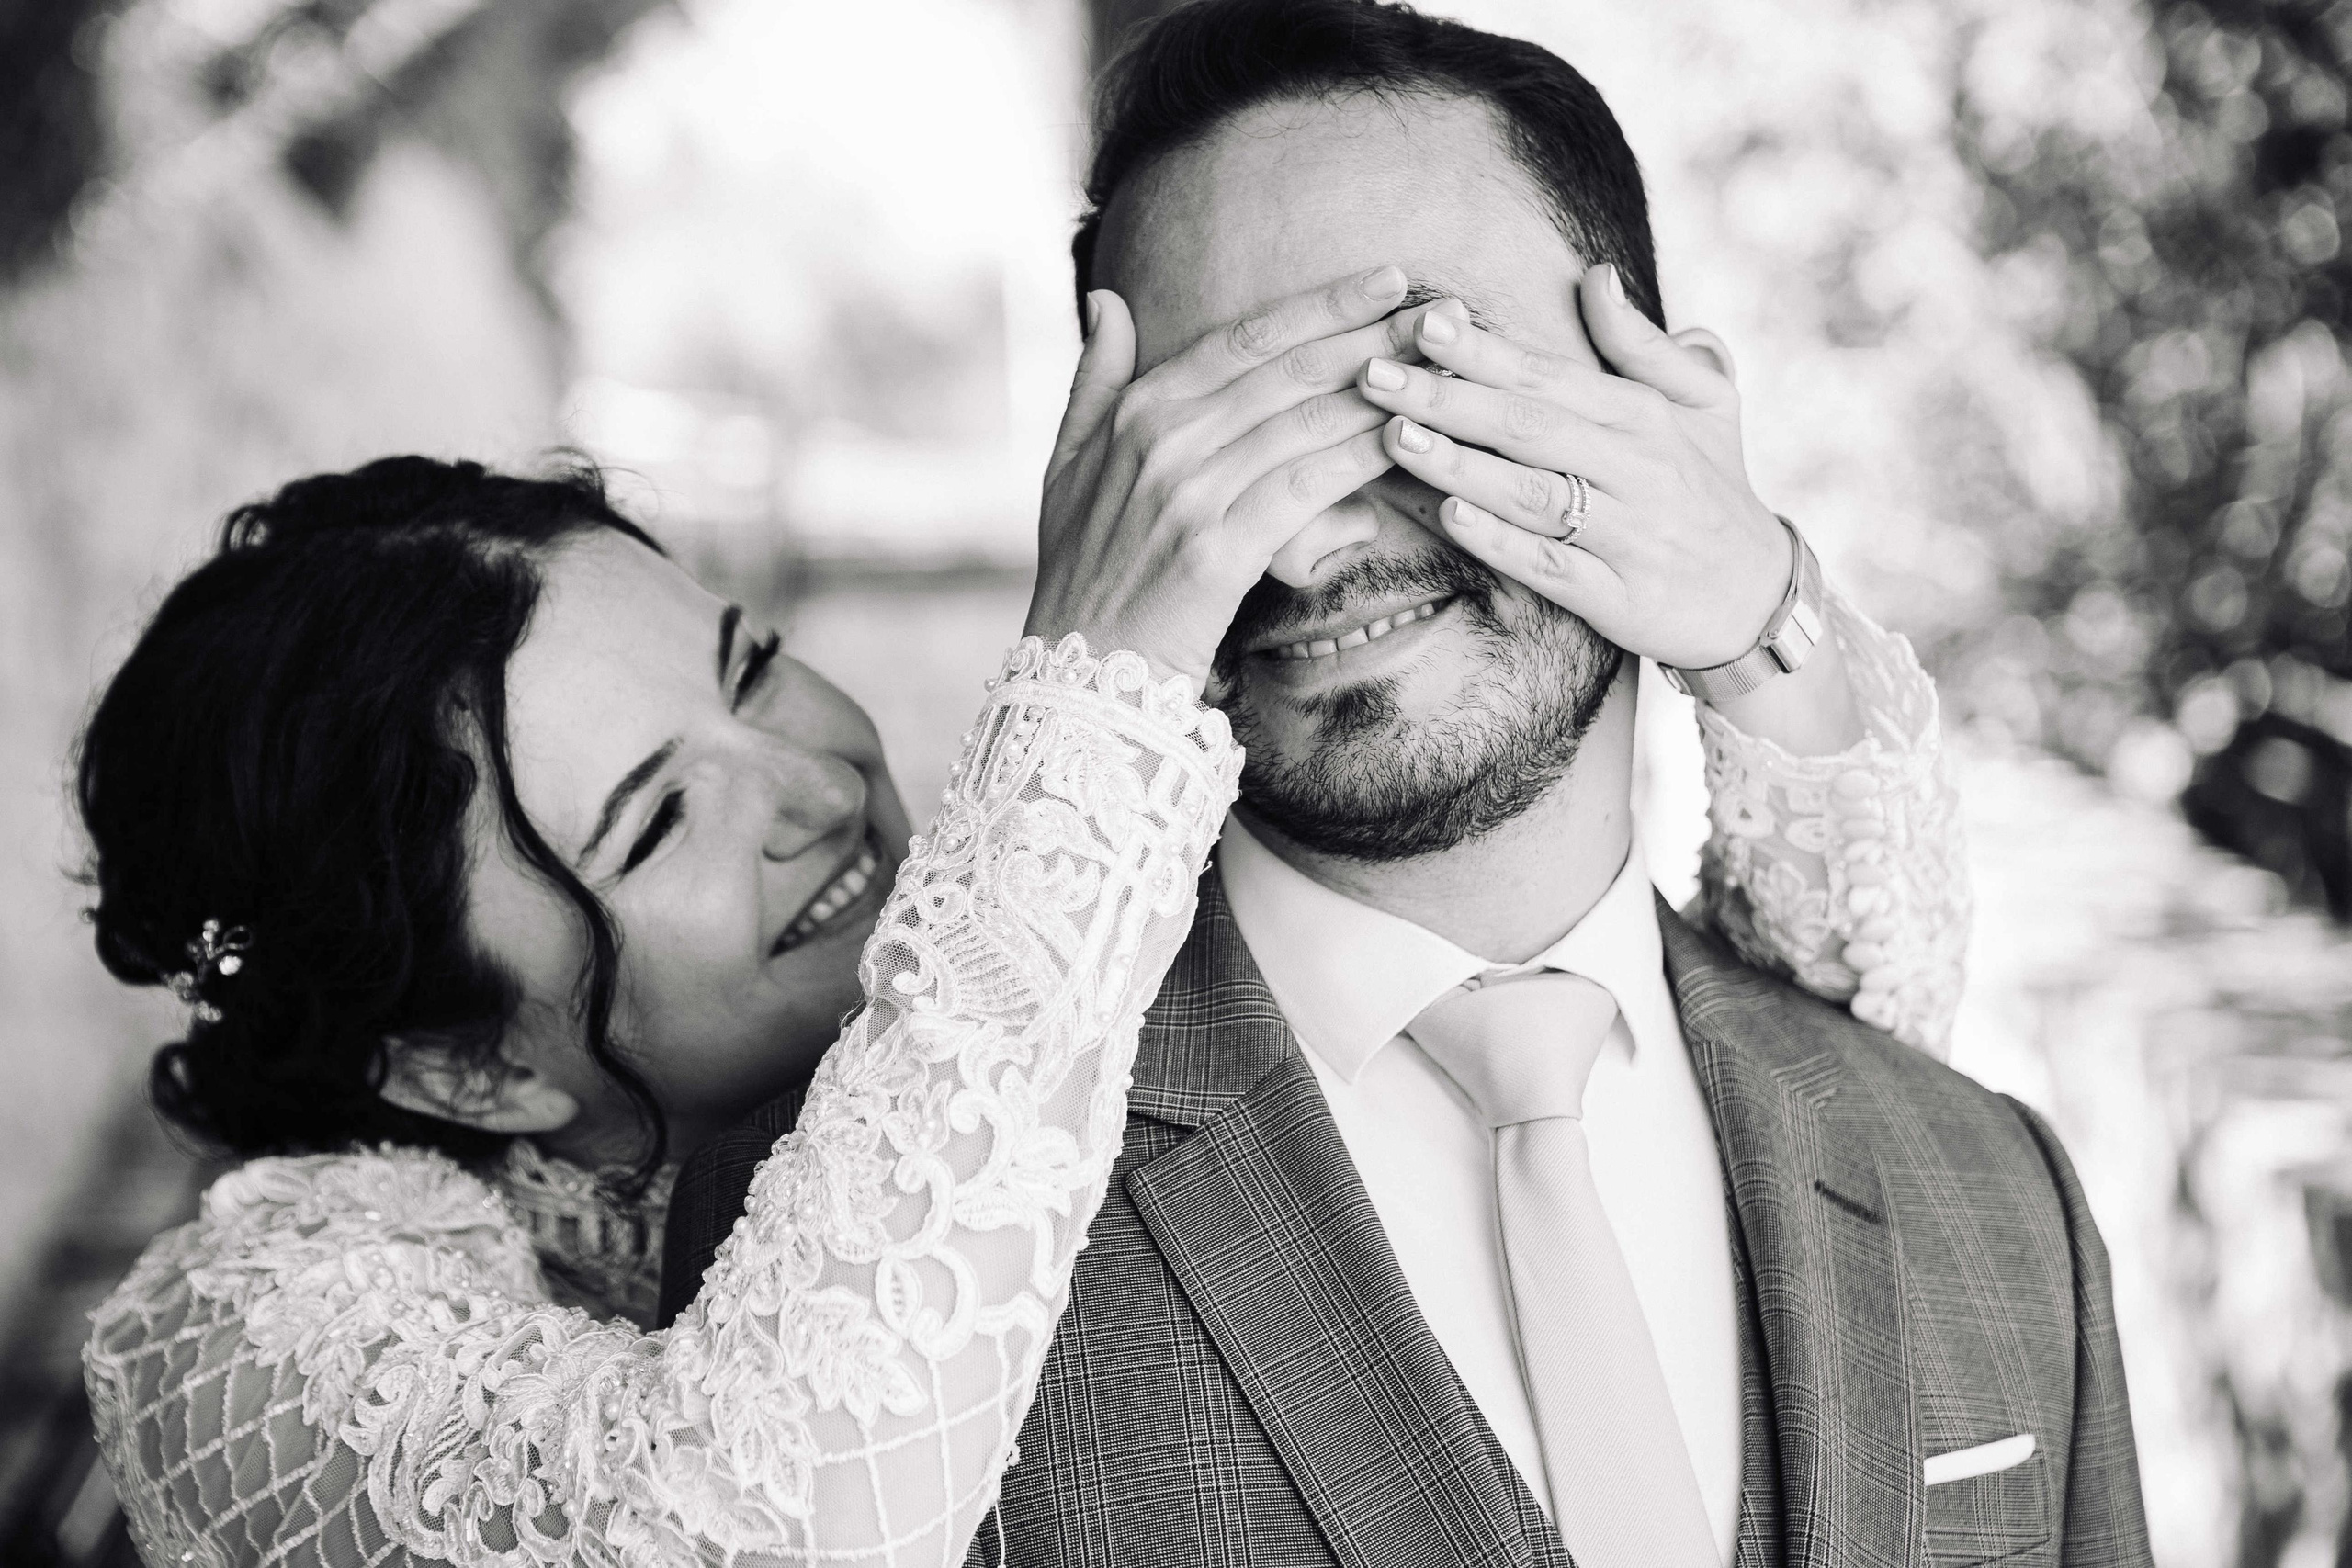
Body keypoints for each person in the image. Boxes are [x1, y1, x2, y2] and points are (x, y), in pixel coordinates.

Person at [77, 244, 1956, 1567]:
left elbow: (1825, 1064)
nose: (814, 783)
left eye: (751, 669)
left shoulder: (1028, 995)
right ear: (461, 1068)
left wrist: (1752, 617)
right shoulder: (244, 1343)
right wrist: (1099, 686)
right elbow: (766, 1523)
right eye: (659, 819)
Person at [658, 5, 2147, 1567]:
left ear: (1663, 410)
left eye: (1412, 387)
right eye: (1221, 440)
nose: (1307, 545)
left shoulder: (1997, 1195)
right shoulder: (869, 1281)